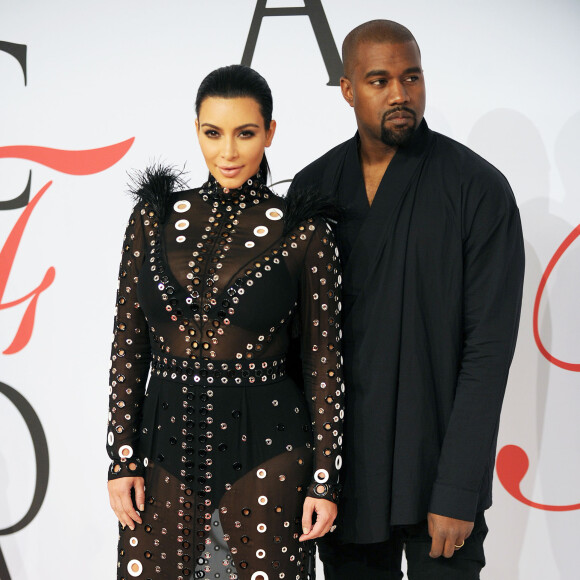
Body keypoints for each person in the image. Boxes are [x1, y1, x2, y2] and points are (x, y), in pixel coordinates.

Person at [289, 19, 525, 580]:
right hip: (345, 480)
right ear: (347, 89)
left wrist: (459, 488)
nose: (400, 94)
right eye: (379, 80)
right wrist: (312, 475)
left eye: (411, 77)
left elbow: (489, 350)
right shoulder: (312, 188)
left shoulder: (477, 188)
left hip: (438, 477)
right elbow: (298, 347)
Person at [106, 64, 344, 580]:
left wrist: (324, 480)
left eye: (246, 133)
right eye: (213, 133)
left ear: (270, 132)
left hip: (272, 458)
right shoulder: (153, 218)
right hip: (160, 454)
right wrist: (121, 456)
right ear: (196, 130)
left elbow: (323, 362)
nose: (228, 152)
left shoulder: (305, 232)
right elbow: (129, 345)